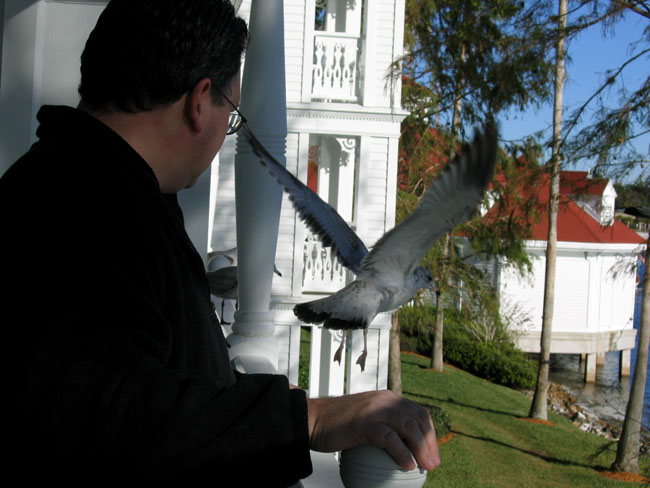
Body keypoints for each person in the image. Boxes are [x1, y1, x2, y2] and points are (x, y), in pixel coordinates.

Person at [1, 0, 440, 485]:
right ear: (198, 101)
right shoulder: (84, 207)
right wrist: (308, 419)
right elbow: (110, 420)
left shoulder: (100, 188)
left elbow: (162, 372)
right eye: (230, 114)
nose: (224, 132)